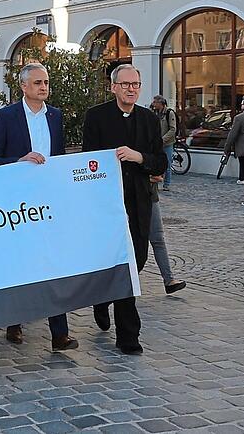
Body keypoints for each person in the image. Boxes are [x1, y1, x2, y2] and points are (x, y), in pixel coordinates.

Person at [0, 63, 79, 352]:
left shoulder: (55, 116)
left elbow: (59, 156)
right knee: (20, 264)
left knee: (53, 264)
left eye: (46, 82)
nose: (43, 87)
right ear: (23, 86)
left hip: (49, 201)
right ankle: (14, 321)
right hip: (18, 203)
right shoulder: (6, 116)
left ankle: (59, 333)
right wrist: (19, 161)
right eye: (37, 82)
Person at [82, 64, 167, 355]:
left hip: (140, 202)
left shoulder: (149, 119)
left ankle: (103, 298)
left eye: (136, 84)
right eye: (126, 84)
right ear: (113, 87)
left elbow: (160, 161)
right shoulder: (96, 116)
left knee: (138, 261)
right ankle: (129, 336)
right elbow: (89, 160)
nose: (131, 89)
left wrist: (138, 157)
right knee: (122, 264)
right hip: (108, 204)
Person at [148, 175, 186, 294]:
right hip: (131, 199)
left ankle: (169, 280)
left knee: (158, 239)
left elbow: (159, 176)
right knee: (135, 244)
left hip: (151, 196)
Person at [150, 95, 177, 191]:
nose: (153, 104)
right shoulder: (154, 112)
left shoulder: (169, 113)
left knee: (167, 163)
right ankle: (155, 183)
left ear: (160, 103)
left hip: (167, 143)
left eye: (155, 102)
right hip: (156, 143)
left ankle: (167, 184)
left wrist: (162, 140)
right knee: (155, 163)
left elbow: (173, 129)